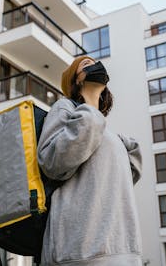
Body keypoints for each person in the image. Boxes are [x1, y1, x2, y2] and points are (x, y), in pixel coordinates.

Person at [37, 56, 143, 266]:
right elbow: (53, 163)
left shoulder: (103, 128)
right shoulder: (65, 108)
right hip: (82, 252)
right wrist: (90, 105)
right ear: (75, 81)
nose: (95, 66)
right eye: (86, 65)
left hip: (121, 249)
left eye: (95, 63)